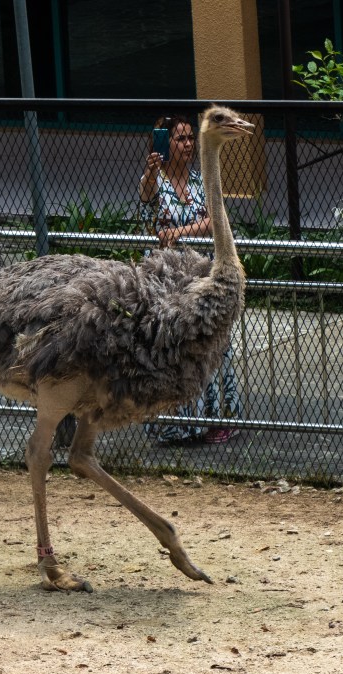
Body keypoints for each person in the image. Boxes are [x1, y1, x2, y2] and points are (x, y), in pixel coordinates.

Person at [139, 114, 241, 445]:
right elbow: (145, 200)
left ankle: (219, 418)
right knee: (171, 347)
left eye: (188, 139)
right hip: (167, 278)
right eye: (179, 139)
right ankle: (174, 425)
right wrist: (151, 174)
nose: (186, 145)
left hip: (199, 273)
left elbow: (214, 220)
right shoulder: (156, 181)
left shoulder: (200, 182)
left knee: (212, 344)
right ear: (164, 143)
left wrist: (179, 232)